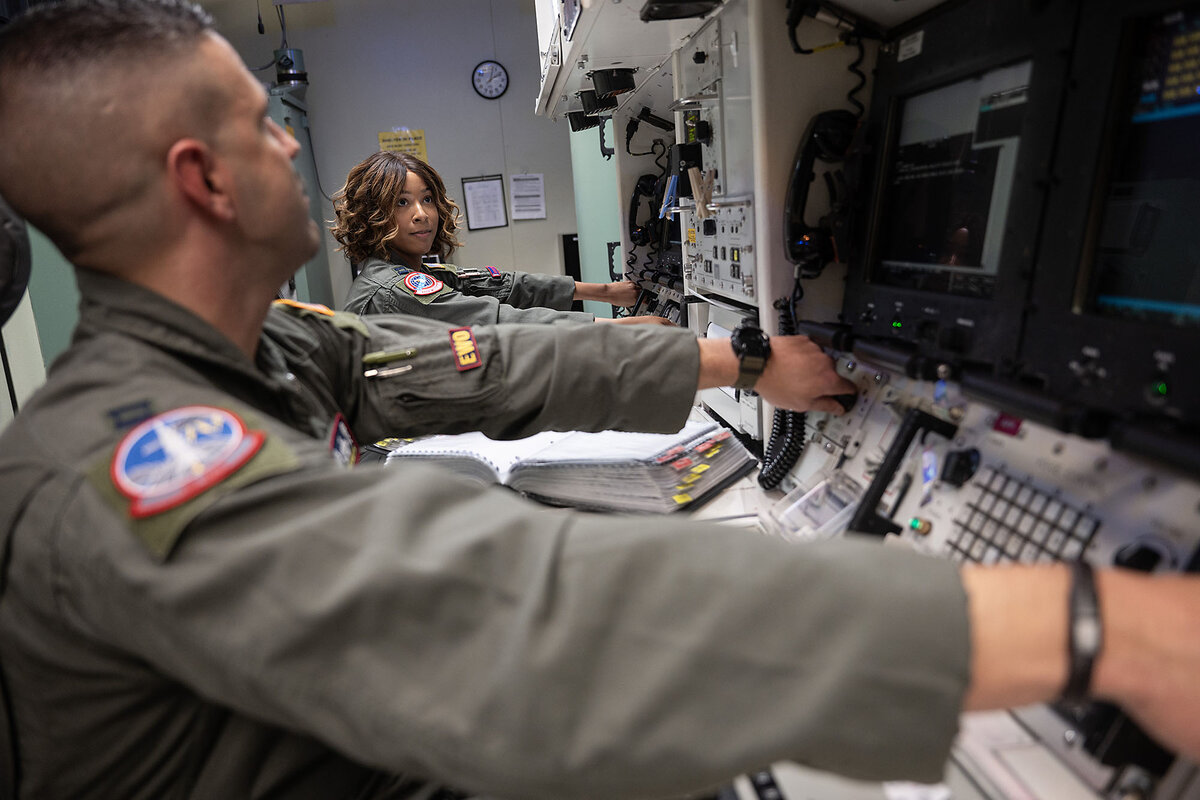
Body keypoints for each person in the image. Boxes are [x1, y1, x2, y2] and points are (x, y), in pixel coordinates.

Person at [0, 2, 1198, 799]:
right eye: (265, 122)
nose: (290, 139)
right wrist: (1102, 628)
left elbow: (496, 357)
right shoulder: (132, 469)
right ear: (200, 180)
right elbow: (518, 608)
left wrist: (739, 362)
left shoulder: (280, 340)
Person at [334, 150, 665, 326]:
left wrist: (607, 292)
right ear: (372, 215)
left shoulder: (411, 274)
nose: (422, 213)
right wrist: (616, 329)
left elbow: (498, 285)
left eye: (428, 199)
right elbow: (493, 320)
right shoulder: (392, 289)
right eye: (402, 203)